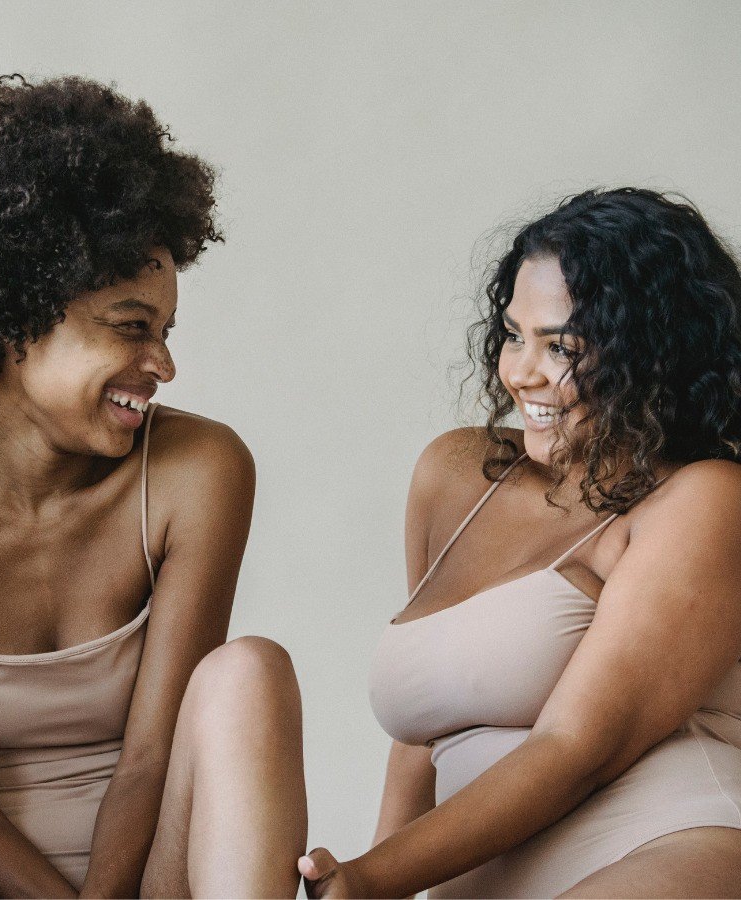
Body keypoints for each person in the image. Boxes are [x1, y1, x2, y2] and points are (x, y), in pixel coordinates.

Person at [0, 68, 308, 898]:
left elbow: (152, 759)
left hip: (167, 874)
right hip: (1, 888)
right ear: (13, 320)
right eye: (131, 329)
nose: (161, 364)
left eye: (163, 331)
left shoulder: (198, 469)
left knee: (249, 672)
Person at [301, 188, 741, 898]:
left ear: (655, 353)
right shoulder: (454, 473)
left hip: (660, 845)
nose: (521, 373)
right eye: (513, 335)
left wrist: (372, 878)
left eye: (561, 346)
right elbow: (420, 738)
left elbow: (578, 749)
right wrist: (372, 882)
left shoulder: (703, 499)